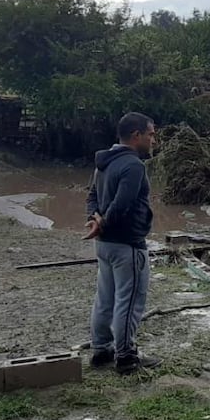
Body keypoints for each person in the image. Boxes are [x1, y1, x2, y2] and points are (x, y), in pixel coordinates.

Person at [84, 112, 161, 374]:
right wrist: (102, 222)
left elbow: (92, 196)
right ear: (136, 135)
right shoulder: (133, 165)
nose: (153, 140)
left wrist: (94, 220)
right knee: (128, 301)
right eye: (150, 134)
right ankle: (126, 357)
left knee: (105, 297)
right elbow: (122, 204)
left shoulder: (104, 161)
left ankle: (101, 349)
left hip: (104, 245)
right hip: (128, 245)